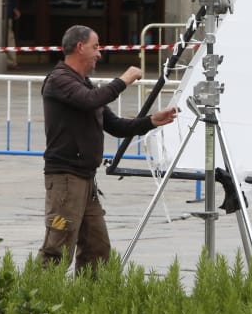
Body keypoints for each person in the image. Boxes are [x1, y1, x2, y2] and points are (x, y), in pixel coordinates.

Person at [41, 25, 176, 273]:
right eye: (95, 47)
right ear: (80, 47)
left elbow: (113, 124)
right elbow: (90, 101)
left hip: (86, 180)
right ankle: (37, 307)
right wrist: (124, 80)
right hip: (65, 181)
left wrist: (151, 121)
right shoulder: (59, 80)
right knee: (57, 250)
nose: (99, 54)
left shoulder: (84, 84)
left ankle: (90, 303)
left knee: (97, 249)